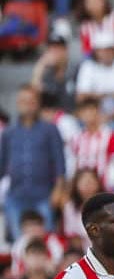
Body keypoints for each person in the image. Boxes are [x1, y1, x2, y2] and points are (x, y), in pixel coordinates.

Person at [0, 86, 66, 241]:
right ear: (17, 103)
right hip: (16, 195)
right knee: (20, 243)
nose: (27, 105)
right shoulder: (9, 132)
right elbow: (1, 165)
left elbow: (59, 162)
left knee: (46, 240)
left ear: (37, 104)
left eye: (31, 101)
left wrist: (59, 189)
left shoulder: (50, 130)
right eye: (23, 101)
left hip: (44, 195)